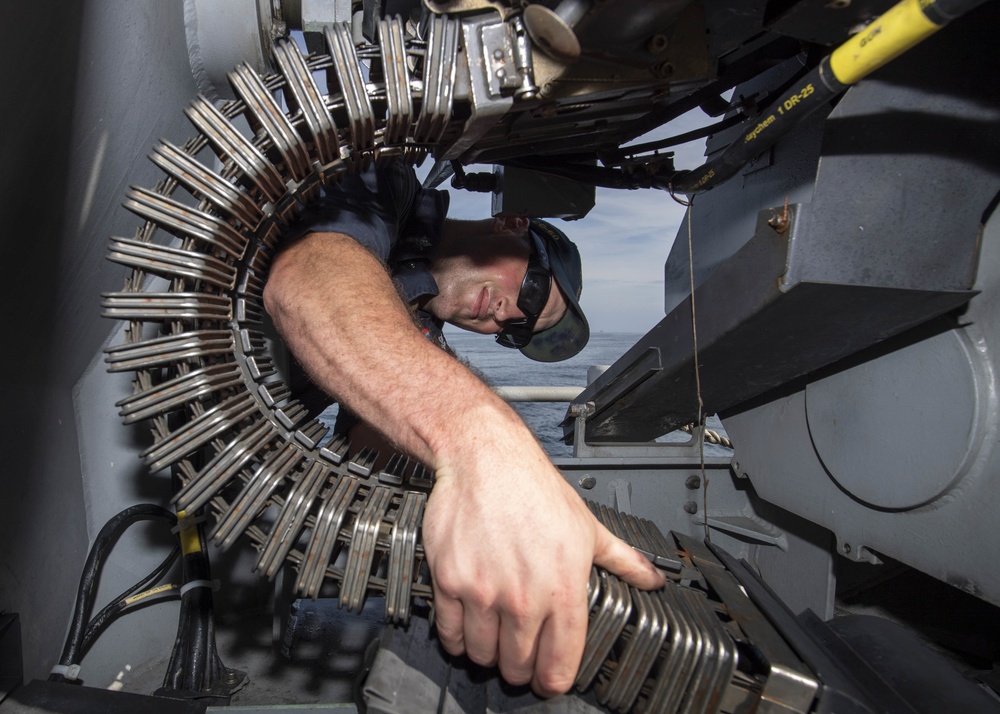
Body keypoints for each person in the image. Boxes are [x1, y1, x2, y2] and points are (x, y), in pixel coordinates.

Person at [263, 161, 665, 698]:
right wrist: (483, 438)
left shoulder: (415, 333)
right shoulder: (390, 184)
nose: (504, 317)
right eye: (531, 293)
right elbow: (309, 278)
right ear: (512, 225)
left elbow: (367, 448)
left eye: (515, 330)